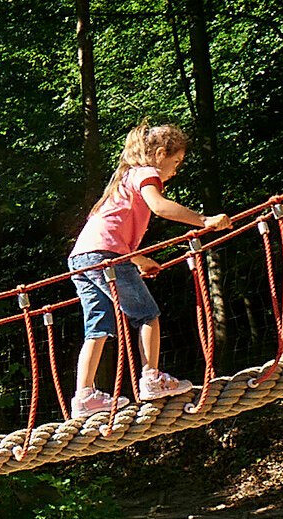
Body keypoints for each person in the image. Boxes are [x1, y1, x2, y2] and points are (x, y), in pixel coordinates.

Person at [68, 121, 231, 417]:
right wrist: (204, 221)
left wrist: (139, 260)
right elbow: (160, 207)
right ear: (158, 154)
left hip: (82, 259)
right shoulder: (146, 173)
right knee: (147, 314)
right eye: (176, 161)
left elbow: (113, 233)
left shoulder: (122, 181)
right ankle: (151, 377)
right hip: (108, 256)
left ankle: (84, 396)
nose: (175, 170)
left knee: (98, 327)